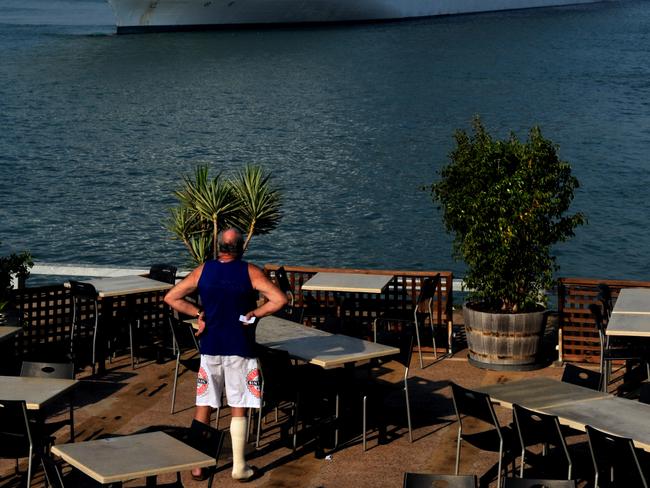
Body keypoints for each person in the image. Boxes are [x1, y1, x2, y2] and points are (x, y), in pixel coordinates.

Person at [164, 227, 288, 481]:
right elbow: (279, 299)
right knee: (238, 405)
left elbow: (172, 297)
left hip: (210, 348)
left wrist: (198, 313)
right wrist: (255, 314)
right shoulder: (250, 271)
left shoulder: (204, 270)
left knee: (204, 404)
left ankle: (197, 467)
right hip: (240, 347)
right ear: (241, 247)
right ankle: (239, 466)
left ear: (218, 246)